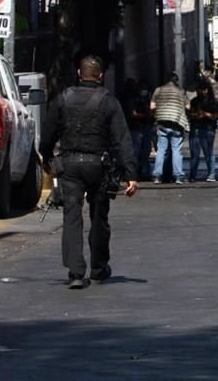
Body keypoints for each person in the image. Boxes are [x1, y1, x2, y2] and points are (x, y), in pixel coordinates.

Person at [39, 56, 139, 289]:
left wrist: (47, 159)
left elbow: (48, 134)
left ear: (78, 73)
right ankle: (98, 268)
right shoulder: (108, 101)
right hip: (99, 167)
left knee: (72, 216)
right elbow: (122, 139)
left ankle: (75, 272)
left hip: (70, 166)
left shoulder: (63, 99)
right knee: (99, 218)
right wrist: (130, 174)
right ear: (101, 75)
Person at [150, 72, 189, 184]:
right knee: (176, 150)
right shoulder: (181, 91)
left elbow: (152, 106)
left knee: (161, 150)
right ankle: (178, 176)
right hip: (176, 123)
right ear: (176, 81)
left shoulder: (158, 90)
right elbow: (188, 106)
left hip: (162, 123)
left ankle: (157, 176)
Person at [188, 80, 218, 182]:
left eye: (202, 89)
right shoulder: (194, 101)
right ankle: (192, 175)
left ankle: (211, 174)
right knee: (195, 154)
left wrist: (206, 115)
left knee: (208, 153)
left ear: (207, 90)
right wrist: (195, 115)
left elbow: (217, 115)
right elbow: (189, 114)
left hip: (208, 129)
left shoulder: (213, 102)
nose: (200, 92)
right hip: (196, 129)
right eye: (198, 90)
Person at [121, 78, 154, 181]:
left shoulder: (142, 98)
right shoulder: (130, 98)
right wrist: (146, 115)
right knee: (137, 151)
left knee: (144, 152)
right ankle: (135, 173)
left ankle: (143, 172)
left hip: (142, 127)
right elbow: (133, 114)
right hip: (136, 128)